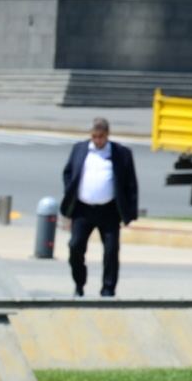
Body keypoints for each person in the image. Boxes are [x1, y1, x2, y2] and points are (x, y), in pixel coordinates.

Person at [61, 117, 139, 297]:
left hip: (109, 210)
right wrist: (71, 194)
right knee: (75, 246)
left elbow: (130, 184)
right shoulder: (80, 149)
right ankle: (79, 283)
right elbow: (68, 173)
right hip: (83, 209)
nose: (97, 141)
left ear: (107, 135)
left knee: (111, 251)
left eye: (101, 137)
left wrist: (130, 213)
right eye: (94, 137)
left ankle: (108, 289)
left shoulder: (121, 153)